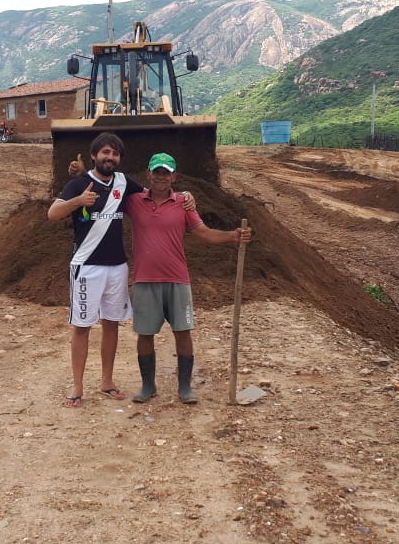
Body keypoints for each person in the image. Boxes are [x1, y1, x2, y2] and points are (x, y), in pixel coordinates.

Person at [126, 152, 252, 404]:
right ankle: (148, 386)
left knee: (183, 332)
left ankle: (185, 387)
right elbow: (106, 195)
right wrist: (79, 174)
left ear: (174, 176)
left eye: (166, 172)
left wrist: (232, 236)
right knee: (145, 334)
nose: (161, 177)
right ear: (148, 174)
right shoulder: (133, 201)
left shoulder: (183, 204)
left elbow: (204, 233)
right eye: (157, 172)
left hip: (177, 279)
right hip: (144, 279)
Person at [47, 132, 148, 409]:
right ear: (94, 156)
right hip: (86, 267)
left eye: (114, 154)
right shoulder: (79, 184)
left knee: (112, 324)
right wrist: (78, 202)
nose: (110, 158)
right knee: (82, 326)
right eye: (105, 152)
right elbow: (53, 214)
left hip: (117, 267)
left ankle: (106, 381)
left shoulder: (124, 183)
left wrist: (182, 195)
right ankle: (77, 387)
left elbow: (151, 198)